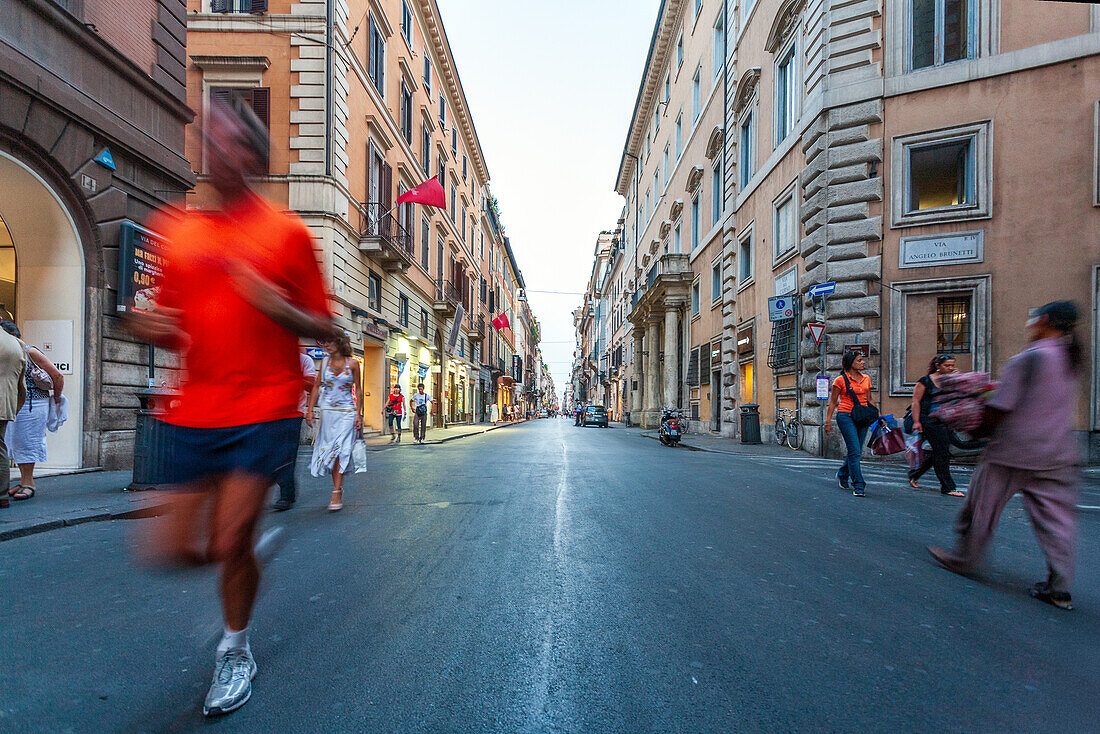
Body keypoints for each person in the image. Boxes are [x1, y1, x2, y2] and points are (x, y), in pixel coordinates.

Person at [126, 95, 336, 717]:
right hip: (193, 409)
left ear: (251, 152)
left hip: (267, 405)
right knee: (171, 550)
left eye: (228, 141)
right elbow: (171, 325)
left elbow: (324, 327)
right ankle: (240, 549)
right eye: (207, 140)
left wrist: (276, 305)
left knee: (231, 536)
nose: (214, 151)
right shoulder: (178, 230)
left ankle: (236, 647)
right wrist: (150, 326)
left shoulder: (287, 232)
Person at [929, 301, 1084, 611]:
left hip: (1013, 450)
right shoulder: (1069, 359)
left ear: (1042, 321)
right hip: (1058, 450)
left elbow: (1001, 407)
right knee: (1055, 520)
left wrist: (974, 425)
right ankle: (1059, 587)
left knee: (979, 507)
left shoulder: (1028, 358)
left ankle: (964, 559)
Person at [2, 320, 64, 501]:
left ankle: (29, 483)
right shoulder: (11, 352)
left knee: (28, 442)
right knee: (16, 443)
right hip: (17, 404)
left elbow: (57, 375)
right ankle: (23, 481)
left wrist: (57, 398)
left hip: (33, 404)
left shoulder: (30, 352)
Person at [307, 332, 362, 510]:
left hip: (346, 412)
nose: (326, 345)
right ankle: (337, 487)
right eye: (325, 342)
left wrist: (358, 414)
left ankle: (336, 492)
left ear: (339, 343)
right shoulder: (324, 363)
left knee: (341, 449)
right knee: (330, 451)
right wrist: (309, 410)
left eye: (330, 342)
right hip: (328, 413)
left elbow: (358, 390)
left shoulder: (352, 363)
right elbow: (316, 386)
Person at [908, 354, 965, 497]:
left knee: (938, 451)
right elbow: (916, 401)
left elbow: (957, 396)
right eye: (947, 366)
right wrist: (916, 421)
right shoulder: (925, 381)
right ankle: (948, 487)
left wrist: (956, 380)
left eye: (952, 365)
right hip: (929, 420)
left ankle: (915, 474)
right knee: (942, 452)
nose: (950, 368)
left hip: (945, 420)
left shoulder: (949, 381)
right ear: (938, 366)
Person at [824, 351, 877, 497]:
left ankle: (842, 473)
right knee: (854, 451)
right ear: (851, 363)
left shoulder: (866, 378)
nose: (863, 362)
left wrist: (878, 416)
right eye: (860, 360)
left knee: (856, 451)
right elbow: (833, 402)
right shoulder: (840, 380)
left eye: (862, 360)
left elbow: (869, 399)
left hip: (863, 416)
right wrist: (828, 421)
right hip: (845, 416)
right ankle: (859, 485)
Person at [272, 348, 317, 512]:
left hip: (293, 413)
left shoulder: (305, 360)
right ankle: (279, 481)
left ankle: (286, 495)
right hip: (268, 413)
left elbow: (311, 386)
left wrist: (292, 376)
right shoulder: (270, 358)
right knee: (267, 453)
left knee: (287, 454)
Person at [0, 325, 25, 508]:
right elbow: (21, 384)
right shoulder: (16, 344)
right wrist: (14, 407)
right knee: (0, 448)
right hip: (5, 403)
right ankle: (1, 494)